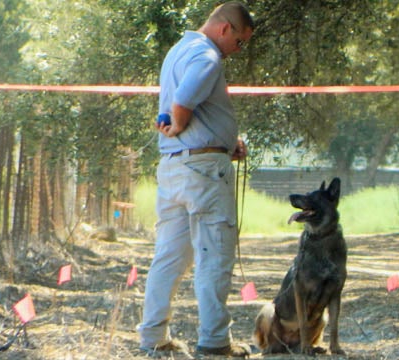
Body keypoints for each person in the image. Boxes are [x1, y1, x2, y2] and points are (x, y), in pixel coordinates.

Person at [137, 1, 254, 358]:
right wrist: (182, 122)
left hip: (174, 167)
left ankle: (153, 336)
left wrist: (221, 142)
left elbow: (183, 106)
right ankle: (215, 341)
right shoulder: (207, 55)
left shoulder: (178, 49)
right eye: (240, 40)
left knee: (169, 256)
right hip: (203, 173)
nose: (239, 49)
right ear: (225, 29)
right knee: (214, 254)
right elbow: (185, 100)